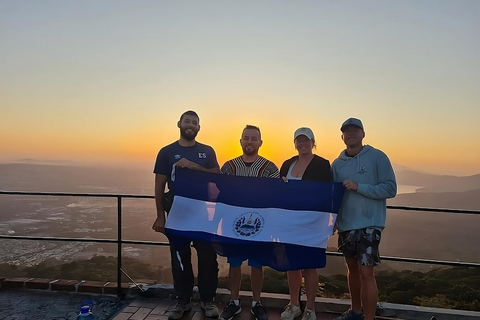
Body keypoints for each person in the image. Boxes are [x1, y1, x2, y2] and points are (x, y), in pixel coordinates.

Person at [153, 110, 220, 320]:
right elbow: (159, 186)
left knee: (208, 259)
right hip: (177, 214)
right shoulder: (166, 152)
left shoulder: (207, 151)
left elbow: (218, 175)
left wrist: (195, 167)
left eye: (195, 122)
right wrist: (160, 216)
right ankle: (182, 301)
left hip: (202, 214)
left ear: (199, 127)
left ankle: (208, 300)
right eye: (187, 121)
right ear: (179, 124)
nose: (190, 125)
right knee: (180, 259)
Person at [331, 118, 397, 320]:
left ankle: (369, 317)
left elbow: (390, 188)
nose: (351, 134)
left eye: (355, 130)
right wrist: (332, 220)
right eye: (347, 131)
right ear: (342, 136)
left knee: (366, 273)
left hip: (369, 226)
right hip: (345, 226)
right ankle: (355, 312)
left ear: (363, 133)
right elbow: (333, 196)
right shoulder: (337, 164)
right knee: (352, 271)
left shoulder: (377, 157)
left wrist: (360, 187)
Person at [219, 125, 280, 320]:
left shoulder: (270, 168)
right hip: (233, 223)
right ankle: (234, 301)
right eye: (246, 138)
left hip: (260, 224)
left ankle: (256, 302)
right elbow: (221, 195)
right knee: (234, 263)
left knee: (257, 264)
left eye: (254, 138)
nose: (250, 142)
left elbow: (274, 197)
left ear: (260, 142)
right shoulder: (228, 167)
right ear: (240, 141)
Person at [279, 127, 332, 320]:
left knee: (310, 265)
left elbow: (327, 195)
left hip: (313, 222)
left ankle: (310, 308)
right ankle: (294, 305)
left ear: (313, 142)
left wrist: (330, 221)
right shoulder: (286, 164)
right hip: (290, 222)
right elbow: (279, 194)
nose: (302, 144)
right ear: (294, 143)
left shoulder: (322, 164)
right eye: (298, 140)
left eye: (306, 140)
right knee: (292, 264)